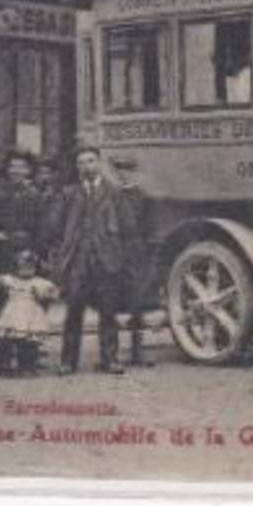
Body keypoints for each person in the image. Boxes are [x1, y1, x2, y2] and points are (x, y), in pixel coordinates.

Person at [53, 145, 138, 375]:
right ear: (76, 167)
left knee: (108, 311)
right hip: (78, 261)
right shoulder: (69, 194)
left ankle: (110, 359)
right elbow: (58, 226)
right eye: (81, 162)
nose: (86, 166)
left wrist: (122, 258)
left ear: (99, 163)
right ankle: (68, 361)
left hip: (107, 259)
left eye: (90, 161)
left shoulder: (115, 193)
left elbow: (128, 228)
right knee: (73, 311)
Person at [111, 153, 157, 367]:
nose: (123, 174)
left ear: (134, 172)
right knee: (113, 302)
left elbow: (149, 227)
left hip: (136, 252)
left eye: (127, 170)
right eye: (120, 170)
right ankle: (113, 352)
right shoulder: (111, 196)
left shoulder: (143, 197)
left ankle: (138, 351)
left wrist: (145, 250)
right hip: (114, 251)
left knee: (137, 302)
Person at [0, 249, 60, 376]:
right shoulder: (11, 280)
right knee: (11, 340)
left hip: (31, 314)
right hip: (13, 314)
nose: (26, 270)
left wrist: (42, 295)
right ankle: (8, 365)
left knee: (30, 343)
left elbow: (54, 292)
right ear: (17, 267)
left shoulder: (38, 282)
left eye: (30, 267)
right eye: (23, 266)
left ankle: (28, 366)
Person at [0, 150, 41, 274]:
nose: (16, 171)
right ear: (7, 169)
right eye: (12, 166)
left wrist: (33, 250)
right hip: (1, 249)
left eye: (21, 167)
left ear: (29, 170)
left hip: (26, 248)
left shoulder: (35, 194)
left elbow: (40, 225)